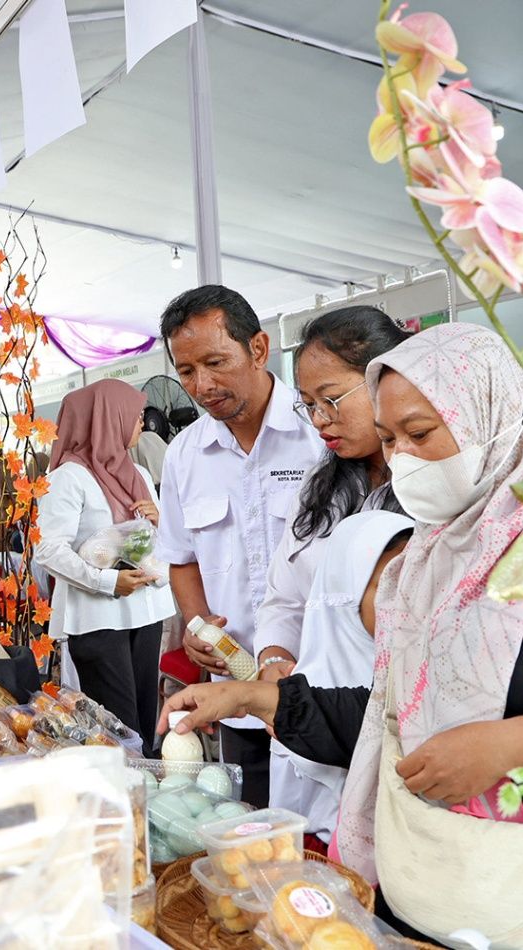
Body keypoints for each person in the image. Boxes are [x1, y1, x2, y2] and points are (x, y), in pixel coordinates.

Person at [158, 324, 523, 946]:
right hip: (436, 879)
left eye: (420, 433)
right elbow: (389, 716)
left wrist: (522, 744)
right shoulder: (431, 558)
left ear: (488, 416)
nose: (402, 459)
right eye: (388, 439)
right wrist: (255, 697)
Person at [155, 285, 323, 806]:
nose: (202, 386)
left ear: (258, 348)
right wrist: (196, 626)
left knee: (323, 828)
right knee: (251, 824)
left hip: (319, 683)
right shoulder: (185, 455)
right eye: (186, 371)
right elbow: (182, 558)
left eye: (215, 362)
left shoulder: (320, 432)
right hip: (235, 694)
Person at [252, 307, 411, 828]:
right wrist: (275, 657)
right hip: (304, 724)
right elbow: (284, 596)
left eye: (332, 399)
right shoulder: (319, 489)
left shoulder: (431, 490)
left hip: (385, 729)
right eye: (308, 405)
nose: (320, 419)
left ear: (385, 380)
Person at [35, 379, 175, 749]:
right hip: (100, 621)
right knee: (118, 731)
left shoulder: (138, 473)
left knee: (145, 726)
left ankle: (148, 784)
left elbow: (158, 543)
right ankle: (126, 786)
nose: (141, 423)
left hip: (146, 614)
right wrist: (107, 582)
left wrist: (159, 521)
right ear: (109, 418)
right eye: (134, 415)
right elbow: (48, 550)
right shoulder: (68, 478)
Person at [268, 509, 413, 850]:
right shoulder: (297, 704)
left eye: (415, 582)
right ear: (346, 595)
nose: (407, 601)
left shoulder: (425, 677)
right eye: (388, 586)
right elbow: (292, 828)